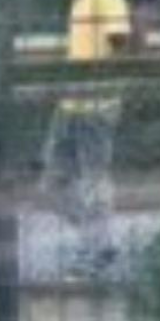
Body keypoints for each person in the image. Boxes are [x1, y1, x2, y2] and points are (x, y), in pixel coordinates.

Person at [39, 0, 134, 276]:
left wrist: (105, 87)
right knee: (52, 183)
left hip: (97, 103)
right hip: (68, 103)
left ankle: (95, 251)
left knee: (94, 178)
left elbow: (122, 42)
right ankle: (100, 241)